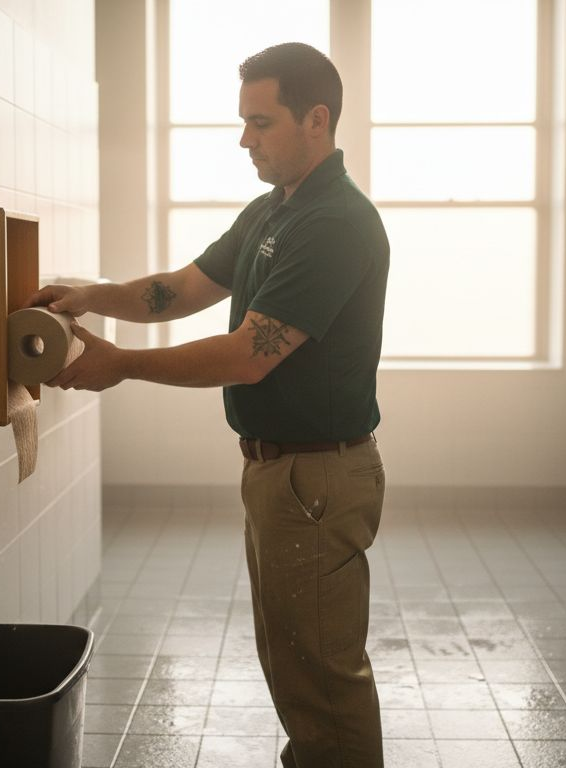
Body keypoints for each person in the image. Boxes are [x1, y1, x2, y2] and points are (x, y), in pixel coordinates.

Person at [30, 42, 390, 768]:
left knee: (322, 678)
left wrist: (121, 365)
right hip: (280, 474)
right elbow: (181, 289)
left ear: (316, 119)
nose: (244, 140)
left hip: (317, 478)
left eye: (261, 122)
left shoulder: (335, 223)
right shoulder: (273, 212)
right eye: (243, 122)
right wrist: (90, 295)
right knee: (294, 664)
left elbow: (250, 355)